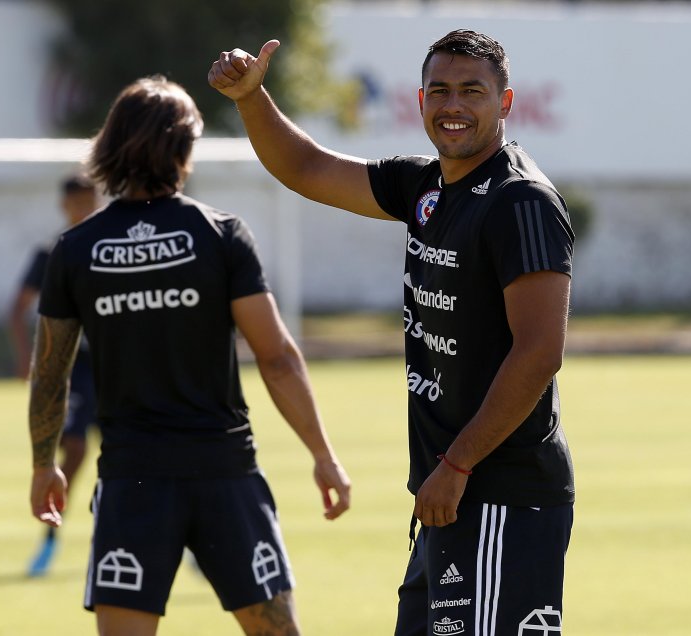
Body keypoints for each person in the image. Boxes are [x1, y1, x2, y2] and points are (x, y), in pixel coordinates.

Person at [209, 29, 575, 634]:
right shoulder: (424, 186)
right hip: (448, 495)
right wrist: (252, 97)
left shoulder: (521, 202)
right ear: (420, 100)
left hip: (501, 493)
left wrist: (456, 466)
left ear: (505, 103)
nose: (453, 106)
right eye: (440, 91)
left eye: (472, 92)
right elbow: (305, 167)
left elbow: (540, 352)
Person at [28, 75, 351, 636]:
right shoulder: (220, 235)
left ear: (109, 145)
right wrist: (323, 454)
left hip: (133, 478)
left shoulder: (76, 249)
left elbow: (50, 373)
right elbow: (276, 358)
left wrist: (43, 464)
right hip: (224, 473)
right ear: (183, 149)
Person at [9, 172, 99, 577]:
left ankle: (182, 542)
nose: (84, 208)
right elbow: (17, 307)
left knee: (140, 447)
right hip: (75, 367)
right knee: (75, 450)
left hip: (116, 363)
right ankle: (49, 538)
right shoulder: (52, 253)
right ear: (64, 205)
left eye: (90, 200)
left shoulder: (110, 245)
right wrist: (28, 357)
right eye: (77, 202)